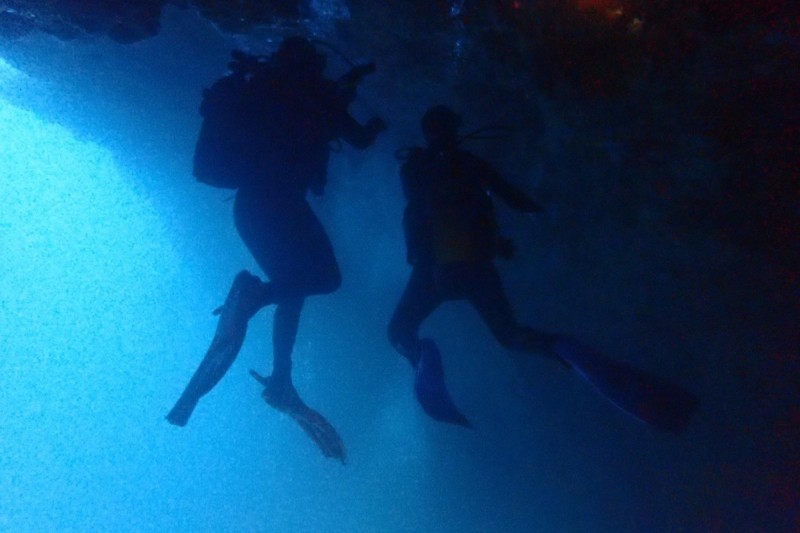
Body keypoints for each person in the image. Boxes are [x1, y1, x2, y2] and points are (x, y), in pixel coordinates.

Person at [389, 105, 698, 431]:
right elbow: (517, 200)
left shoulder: (413, 168)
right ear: (455, 131)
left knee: (399, 330)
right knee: (511, 336)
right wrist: (557, 210)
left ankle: (421, 354)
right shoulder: (473, 165)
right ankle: (563, 349)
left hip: (433, 270)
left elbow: (420, 210)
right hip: (477, 267)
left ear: (426, 132)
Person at [167, 36, 386, 462]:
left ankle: (282, 377)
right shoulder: (317, 97)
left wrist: (346, 86)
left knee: (295, 285)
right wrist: (377, 123)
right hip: (279, 204)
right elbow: (357, 137)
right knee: (325, 278)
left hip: (251, 206)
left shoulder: (267, 92)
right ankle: (255, 297)